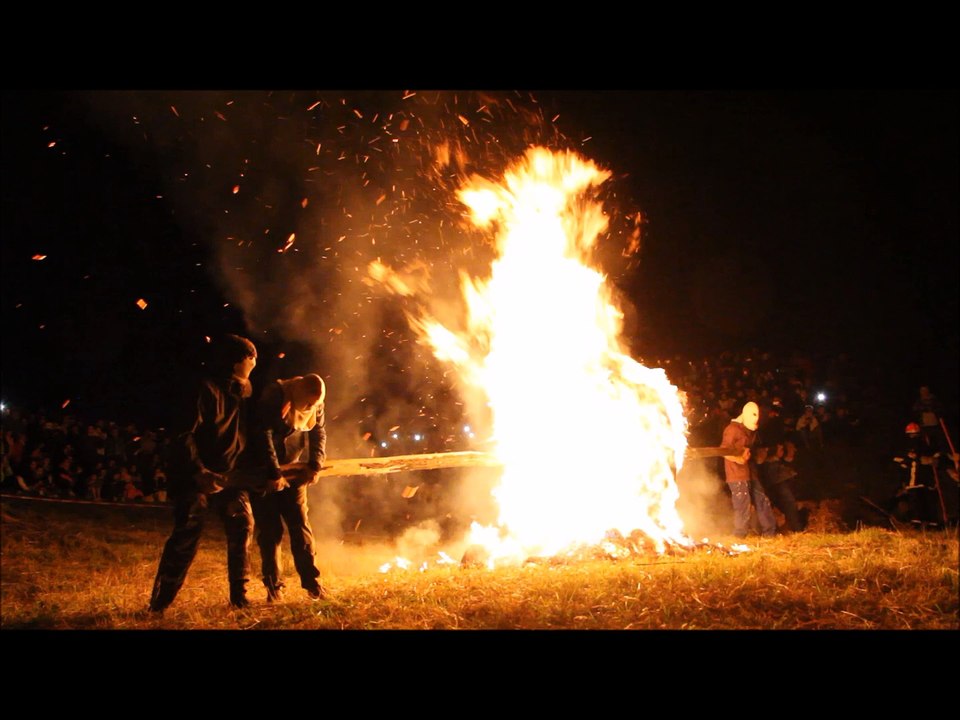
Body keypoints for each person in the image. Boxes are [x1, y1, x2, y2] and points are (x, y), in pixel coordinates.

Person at [148, 334, 258, 613]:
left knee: (242, 524)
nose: (255, 364)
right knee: (188, 532)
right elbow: (183, 434)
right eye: (252, 358)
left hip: (229, 476)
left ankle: (240, 597)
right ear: (239, 360)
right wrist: (199, 471)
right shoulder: (203, 388)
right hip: (195, 476)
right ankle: (160, 602)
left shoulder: (245, 392)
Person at [236, 373, 328, 602]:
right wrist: (273, 472)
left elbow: (318, 431)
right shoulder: (275, 394)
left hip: (294, 472)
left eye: (314, 404)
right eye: (307, 403)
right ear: (299, 393)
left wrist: (315, 464)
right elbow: (263, 433)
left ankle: (312, 583)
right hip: (264, 471)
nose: (310, 408)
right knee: (270, 531)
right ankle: (273, 587)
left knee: (300, 526)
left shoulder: (316, 400)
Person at [722, 401, 777, 538]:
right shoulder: (732, 430)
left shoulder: (750, 430)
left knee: (762, 500)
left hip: (750, 472)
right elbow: (724, 450)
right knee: (742, 505)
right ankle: (740, 535)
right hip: (737, 474)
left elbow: (751, 450)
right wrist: (739, 458)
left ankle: (770, 532)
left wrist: (758, 454)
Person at [889, 422, 947, 528]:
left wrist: (932, 460)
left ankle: (931, 523)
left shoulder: (926, 443)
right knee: (916, 501)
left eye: (916, 435)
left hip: (926, 479)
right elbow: (899, 460)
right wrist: (909, 461)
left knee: (927, 500)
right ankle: (918, 522)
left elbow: (937, 456)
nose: (913, 437)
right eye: (912, 435)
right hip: (914, 480)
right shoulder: (905, 447)